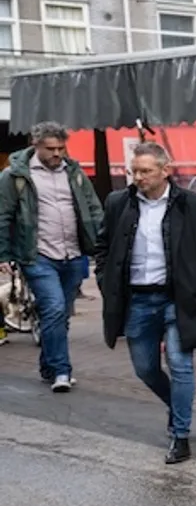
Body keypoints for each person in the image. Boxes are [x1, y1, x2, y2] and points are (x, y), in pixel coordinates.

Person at [97, 142, 196, 465]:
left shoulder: (194, 205)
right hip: (137, 300)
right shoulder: (118, 203)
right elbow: (103, 246)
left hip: (178, 298)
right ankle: (178, 405)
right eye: (134, 171)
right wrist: (106, 282)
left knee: (180, 363)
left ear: (165, 170)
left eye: (146, 171)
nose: (139, 177)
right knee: (145, 368)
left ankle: (180, 435)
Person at [0, 122, 106, 392]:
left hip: (73, 255)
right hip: (37, 255)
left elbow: (93, 209)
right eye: (51, 149)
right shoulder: (15, 177)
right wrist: (3, 254)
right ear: (36, 146)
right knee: (55, 309)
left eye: (61, 148)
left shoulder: (74, 172)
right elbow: (3, 216)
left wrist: (101, 242)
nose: (57, 154)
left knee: (59, 315)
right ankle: (61, 371)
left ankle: (48, 365)